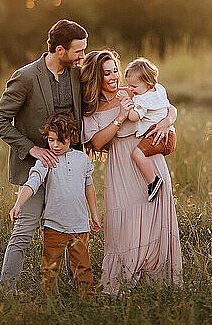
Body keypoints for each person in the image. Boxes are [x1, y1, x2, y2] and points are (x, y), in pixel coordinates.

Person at [0, 19, 88, 293]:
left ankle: (73, 287)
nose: (82, 56)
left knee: (72, 230)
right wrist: (32, 149)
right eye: (78, 51)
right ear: (60, 50)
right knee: (23, 232)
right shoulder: (26, 77)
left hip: (68, 169)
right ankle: (4, 290)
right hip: (36, 169)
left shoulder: (75, 74)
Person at [81, 50, 182, 295]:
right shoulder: (91, 108)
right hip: (122, 166)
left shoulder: (131, 91)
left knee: (156, 221)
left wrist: (167, 122)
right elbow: (96, 143)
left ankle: (159, 284)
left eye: (115, 70)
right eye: (107, 73)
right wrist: (120, 117)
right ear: (96, 77)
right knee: (124, 224)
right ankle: (121, 282)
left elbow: (168, 107)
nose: (115, 76)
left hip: (150, 161)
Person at [10, 112, 101, 298]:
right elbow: (32, 182)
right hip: (54, 226)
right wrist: (18, 204)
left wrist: (94, 214)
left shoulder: (82, 159)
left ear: (72, 137)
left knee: (83, 268)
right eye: (51, 140)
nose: (56, 145)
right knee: (50, 270)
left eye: (61, 140)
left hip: (79, 226)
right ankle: (51, 303)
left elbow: (89, 187)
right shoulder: (46, 160)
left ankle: (87, 302)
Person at [120, 57, 176, 202]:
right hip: (169, 135)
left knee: (137, 154)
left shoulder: (143, 99)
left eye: (134, 86)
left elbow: (134, 117)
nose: (131, 89)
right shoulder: (159, 89)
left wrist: (126, 104)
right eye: (129, 85)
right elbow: (169, 107)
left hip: (159, 136)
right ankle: (153, 181)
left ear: (148, 83)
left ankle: (153, 181)